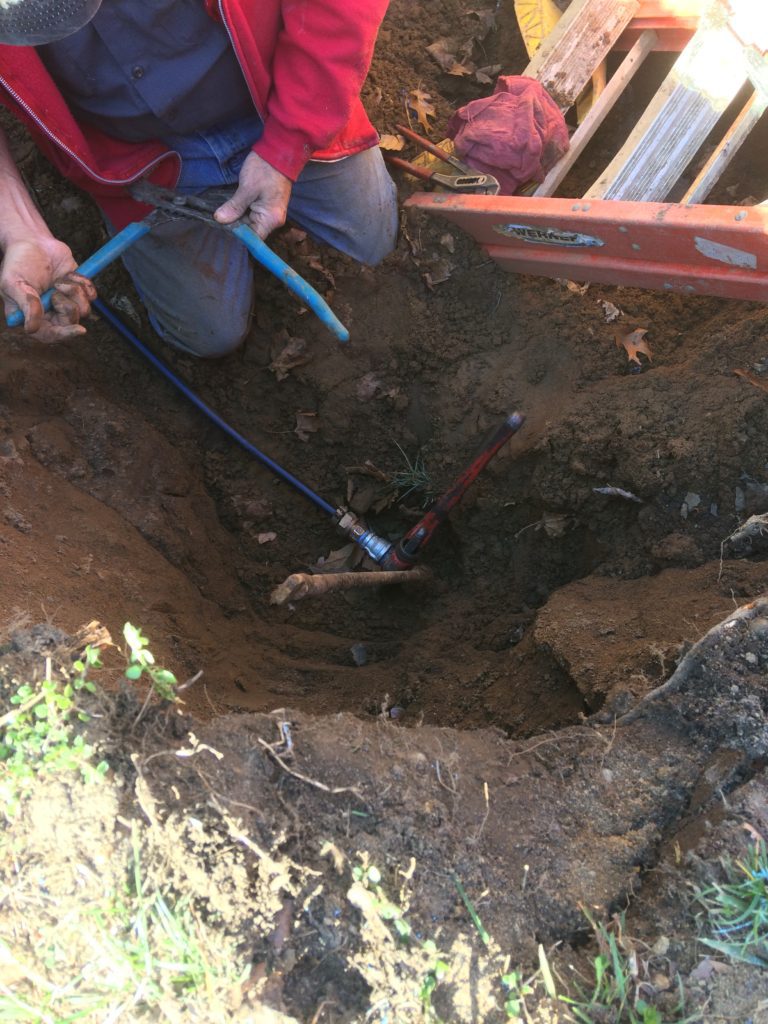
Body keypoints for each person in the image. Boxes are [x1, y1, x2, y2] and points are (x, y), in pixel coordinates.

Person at [0, 0, 397, 354]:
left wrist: (289, 142)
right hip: (142, 165)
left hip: (273, 92)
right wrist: (21, 229)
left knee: (375, 243)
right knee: (210, 337)